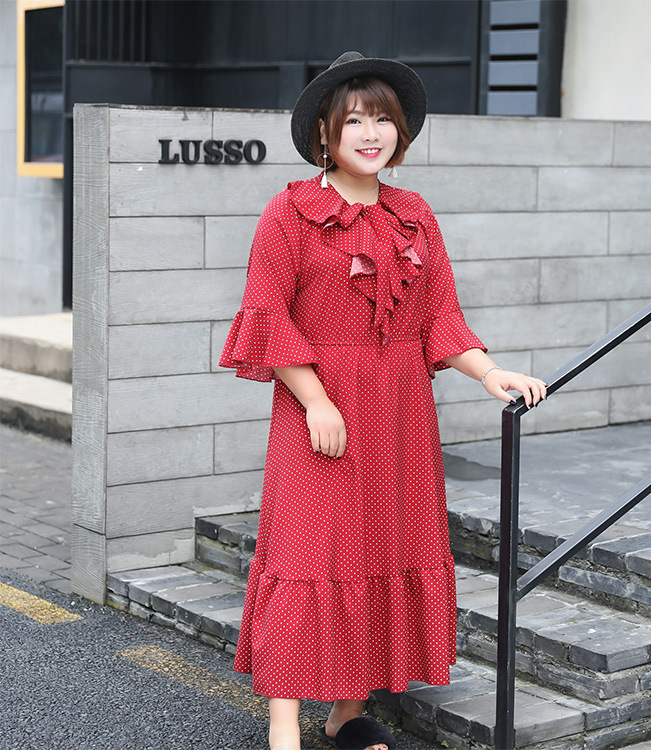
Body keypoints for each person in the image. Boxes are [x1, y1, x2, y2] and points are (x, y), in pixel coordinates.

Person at [219, 51, 547, 750]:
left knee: (376, 552)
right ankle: (284, 724)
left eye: (383, 120)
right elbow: (268, 314)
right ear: (325, 133)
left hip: (399, 414)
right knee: (307, 560)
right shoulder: (288, 213)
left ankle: (346, 713)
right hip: (319, 411)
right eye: (355, 121)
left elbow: (439, 317)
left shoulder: (415, 214)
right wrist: (316, 400)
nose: (371, 134)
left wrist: (489, 372)